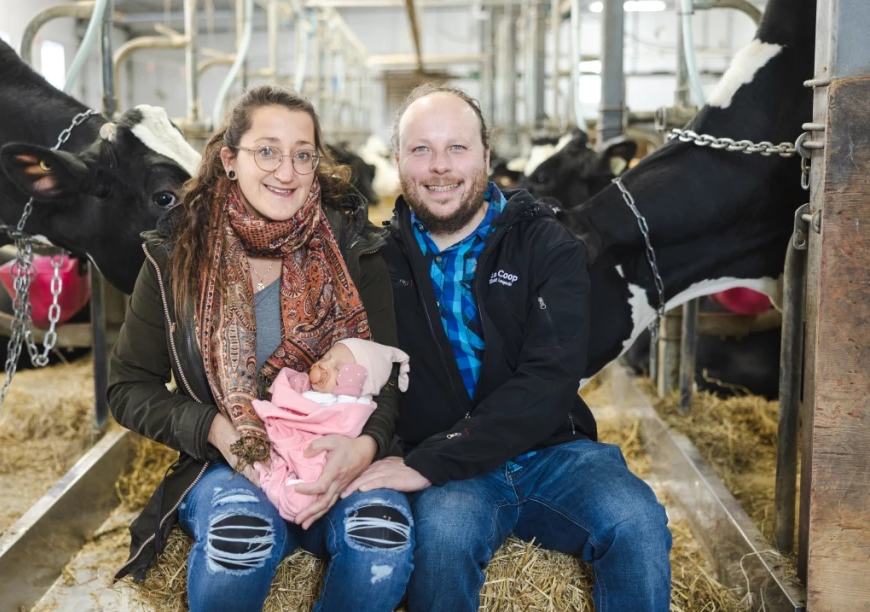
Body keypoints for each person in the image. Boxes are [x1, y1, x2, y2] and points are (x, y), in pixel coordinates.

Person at [343, 83, 673, 612]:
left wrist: (432, 461)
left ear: (487, 157)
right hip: (453, 472)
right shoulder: (375, 263)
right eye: (421, 149)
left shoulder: (546, 244)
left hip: (551, 454)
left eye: (457, 148)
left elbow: (552, 376)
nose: (440, 167)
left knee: (635, 519)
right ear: (399, 161)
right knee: (443, 542)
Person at [107, 85, 413, 612]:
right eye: (266, 150)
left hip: (335, 453)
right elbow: (128, 388)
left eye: (302, 154)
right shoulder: (175, 256)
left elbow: (382, 377)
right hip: (233, 462)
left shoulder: (356, 251)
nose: (286, 171)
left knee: (379, 537)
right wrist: (214, 430)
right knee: (238, 540)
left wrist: (363, 449)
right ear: (229, 159)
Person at [252, 338, 412, 521]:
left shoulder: (351, 405)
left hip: (315, 453)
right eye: (326, 357)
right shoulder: (306, 387)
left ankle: (285, 491)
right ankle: (274, 480)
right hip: (283, 441)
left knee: (305, 491)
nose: (323, 365)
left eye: (338, 369)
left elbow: (345, 422)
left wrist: (349, 391)